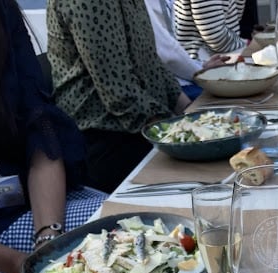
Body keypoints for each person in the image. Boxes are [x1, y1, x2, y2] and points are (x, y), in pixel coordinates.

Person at [0, 0, 104, 273]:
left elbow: (39, 128)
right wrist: (18, 263)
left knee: (144, 217)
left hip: (40, 204)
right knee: (116, 235)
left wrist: (48, 239)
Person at [47, 0, 193, 194]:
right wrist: (184, 134)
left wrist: (191, 112)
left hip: (142, 127)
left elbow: (151, 62)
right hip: (105, 139)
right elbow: (119, 92)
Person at [143, 0, 230, 101]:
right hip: (172, 85)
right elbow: (166, 52)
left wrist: (200, 66)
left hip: (185, 73)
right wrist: (199, 71)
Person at [174, 0, 248, 60]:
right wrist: (245, 44)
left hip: (223, 46)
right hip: (203, 57)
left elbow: (234, 17)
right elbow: (215, 37)